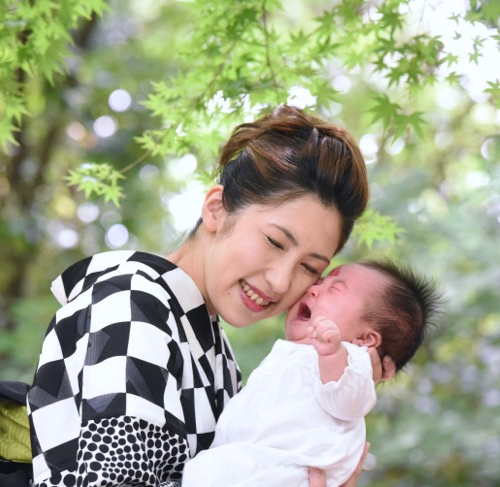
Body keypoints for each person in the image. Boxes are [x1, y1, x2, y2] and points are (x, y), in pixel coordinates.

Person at [21, 105, 386, 487]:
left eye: (309, 268)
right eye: (275, 242)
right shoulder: (132, 304)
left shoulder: (220, 356)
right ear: (217, 209)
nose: (281, 282)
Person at [181, 260, 442, 486]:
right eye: (321, 281)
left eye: (334, 289)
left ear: (366, 340)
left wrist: (334, 354)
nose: (313, 289)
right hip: (257, 462)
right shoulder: (296, 354)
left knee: (206, 475)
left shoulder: (354, 362)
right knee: (204, 473)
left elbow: (350, 400)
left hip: (288, 471)